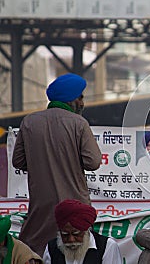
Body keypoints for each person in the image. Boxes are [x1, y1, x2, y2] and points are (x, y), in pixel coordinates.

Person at [12, 73, 102, 255]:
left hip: (41, 208)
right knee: (74, 251)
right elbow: (93, 162)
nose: (83, 103)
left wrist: (41, 163)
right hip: (75, 204)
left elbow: (18, 161)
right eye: (81, 97)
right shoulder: (79, 124)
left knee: (35, 251)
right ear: (72, 99)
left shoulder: (29, 121)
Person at [43, 199, 122, 264]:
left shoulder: (107, 247)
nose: (71, 239)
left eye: (76, 234)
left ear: (86, 230)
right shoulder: (51, 248)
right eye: (65, 235)